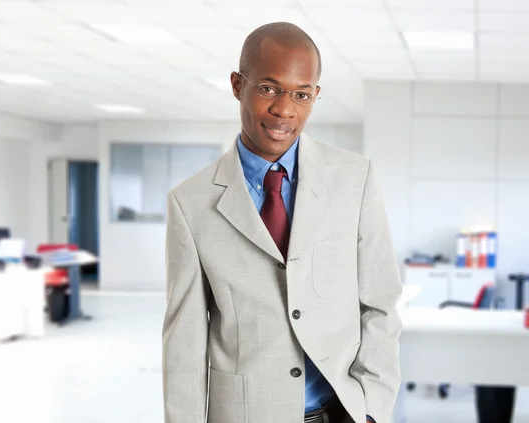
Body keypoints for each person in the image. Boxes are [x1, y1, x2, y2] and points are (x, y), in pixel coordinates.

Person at [162, 22, 402, 423]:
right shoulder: (191, 203)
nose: (284, 109)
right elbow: (184, 342)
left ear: (315, 96)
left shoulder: (353, 178)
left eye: (301, 94)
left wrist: (373, 408)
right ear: (239, 85)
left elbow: (379, 302)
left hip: (340, 412)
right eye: (269, 88)